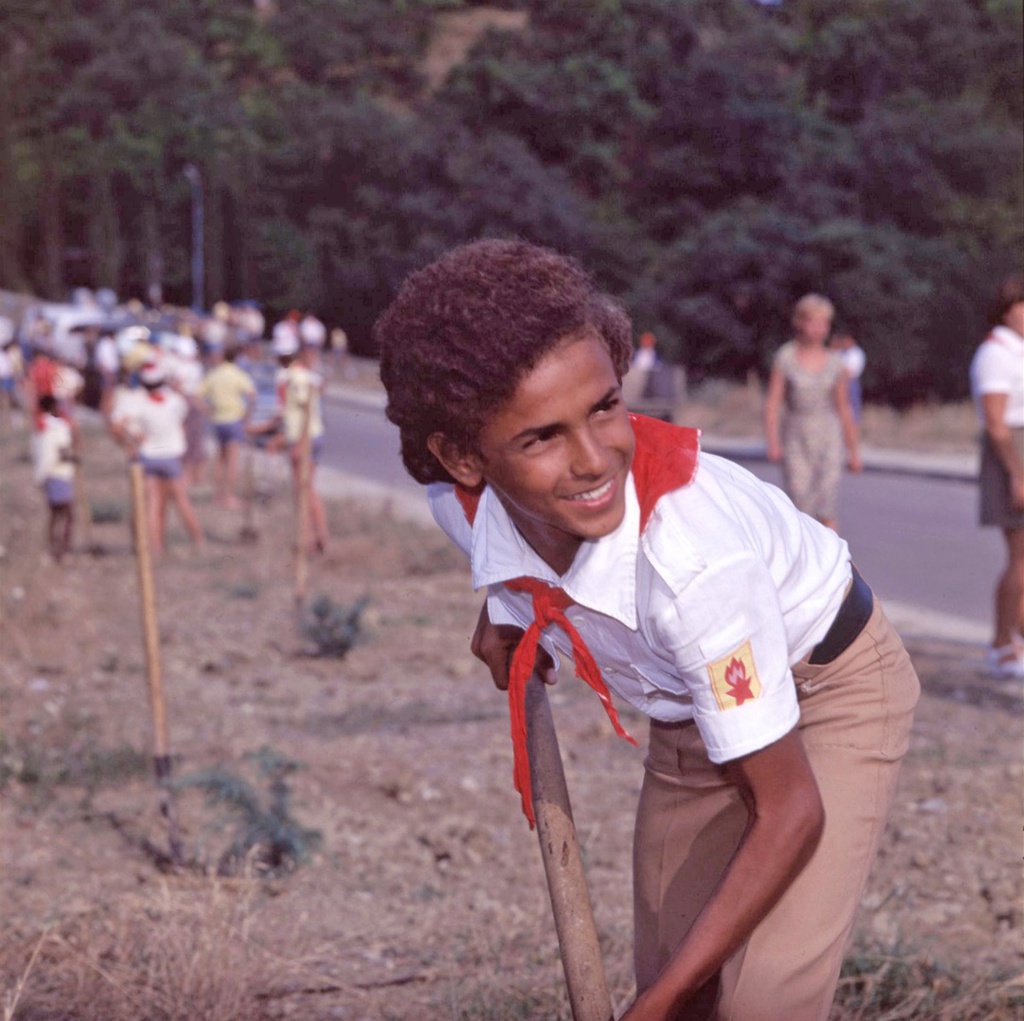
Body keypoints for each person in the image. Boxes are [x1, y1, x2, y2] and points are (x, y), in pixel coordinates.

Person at [375, 240, 920, 1021]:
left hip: (831, 686)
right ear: (464, 456)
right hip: (692, 712)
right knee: (675, 966)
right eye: (541, 437)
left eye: (605, 407)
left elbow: (792, 809)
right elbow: (507, 543)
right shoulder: (460, 502)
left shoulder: (690, 562)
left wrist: (653, 1006)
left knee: (759, 1000)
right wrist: (503, 611)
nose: (593, 459)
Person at [764, 294, 862, 532]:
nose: (819, 329)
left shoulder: (835, 363)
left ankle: (833, 553)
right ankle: (804, 553)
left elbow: (844, 407)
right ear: (799, 322)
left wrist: (853, 451)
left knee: (827, 505)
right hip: (797, 435)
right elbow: (773, 402)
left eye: (824, 323)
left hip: (829, 435)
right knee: (800, 503)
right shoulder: (785, 358)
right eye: (813, 322)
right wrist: (773, 442)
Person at [969, 272, 1024, 679]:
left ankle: (1014, 637)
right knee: (1020, 558)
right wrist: (1017, 475)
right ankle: (1001, 644)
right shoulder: (995, 353)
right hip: (1011, 454)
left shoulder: (1017, 351)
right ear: (1007, 311)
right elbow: (996, 422)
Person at [109, 358, 205, 559]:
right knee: (181, 501)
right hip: (170, 455)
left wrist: (131, 439)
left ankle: (155, 548)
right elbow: (182, 420)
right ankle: (198, 540)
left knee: (152, 504)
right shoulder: (174, 401)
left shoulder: (138, 401)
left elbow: (117, 425)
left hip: (148, 455)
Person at [274, 334, 328, 553]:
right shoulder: (302, 376)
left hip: (304, 437)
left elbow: (305, 412)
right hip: (310, 435)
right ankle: (317, 537)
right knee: (306, 488)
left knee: (303, 490)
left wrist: (298, 443)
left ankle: (311, 538)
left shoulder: (294, 378)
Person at [196, 344, 256, 508]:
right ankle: (229, 496)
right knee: (232, 461)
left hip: (218, 420)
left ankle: (217, 495)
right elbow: (252, 395)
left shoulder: (214, 374)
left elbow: (198, 396)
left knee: (220, 460)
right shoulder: (238, 374)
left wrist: (207, 410)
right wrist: (247, 414)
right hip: (234, 419)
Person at [33, 394, 76, 562]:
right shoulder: (57, 426)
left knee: (55, 514)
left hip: (49, 474)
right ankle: (63, 549)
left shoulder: (41, 427)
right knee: (67, 514)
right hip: (60, 473)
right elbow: (62, 450)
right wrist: (73, 458)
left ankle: (54, 547)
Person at [830, 327, 866, 424]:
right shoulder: (839, 353)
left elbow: (851, 371)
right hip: (837, 382)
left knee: (852, 409)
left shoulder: (857, 353)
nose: (844, 342)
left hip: (851, 383)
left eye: (847, 340)